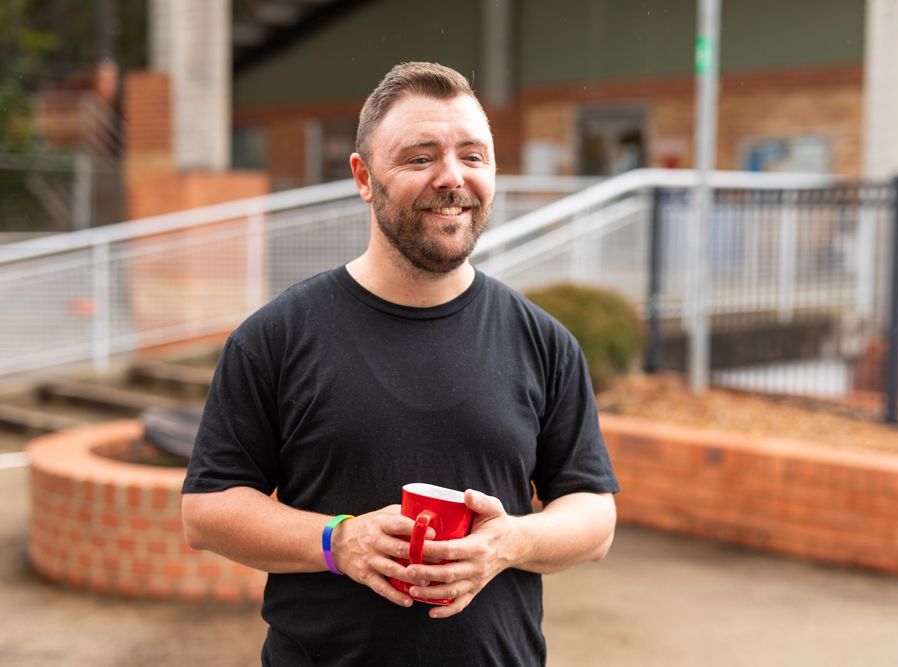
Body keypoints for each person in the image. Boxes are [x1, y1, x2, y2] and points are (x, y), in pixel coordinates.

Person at [181, 61, 618, 667]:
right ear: (363, 177)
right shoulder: (275, 337)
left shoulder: (544, 341)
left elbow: (595, 516)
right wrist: (338, 541)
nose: (452, 178)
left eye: (474, 156)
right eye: (420, 158)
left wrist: (512, 541)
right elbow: (207, 511)